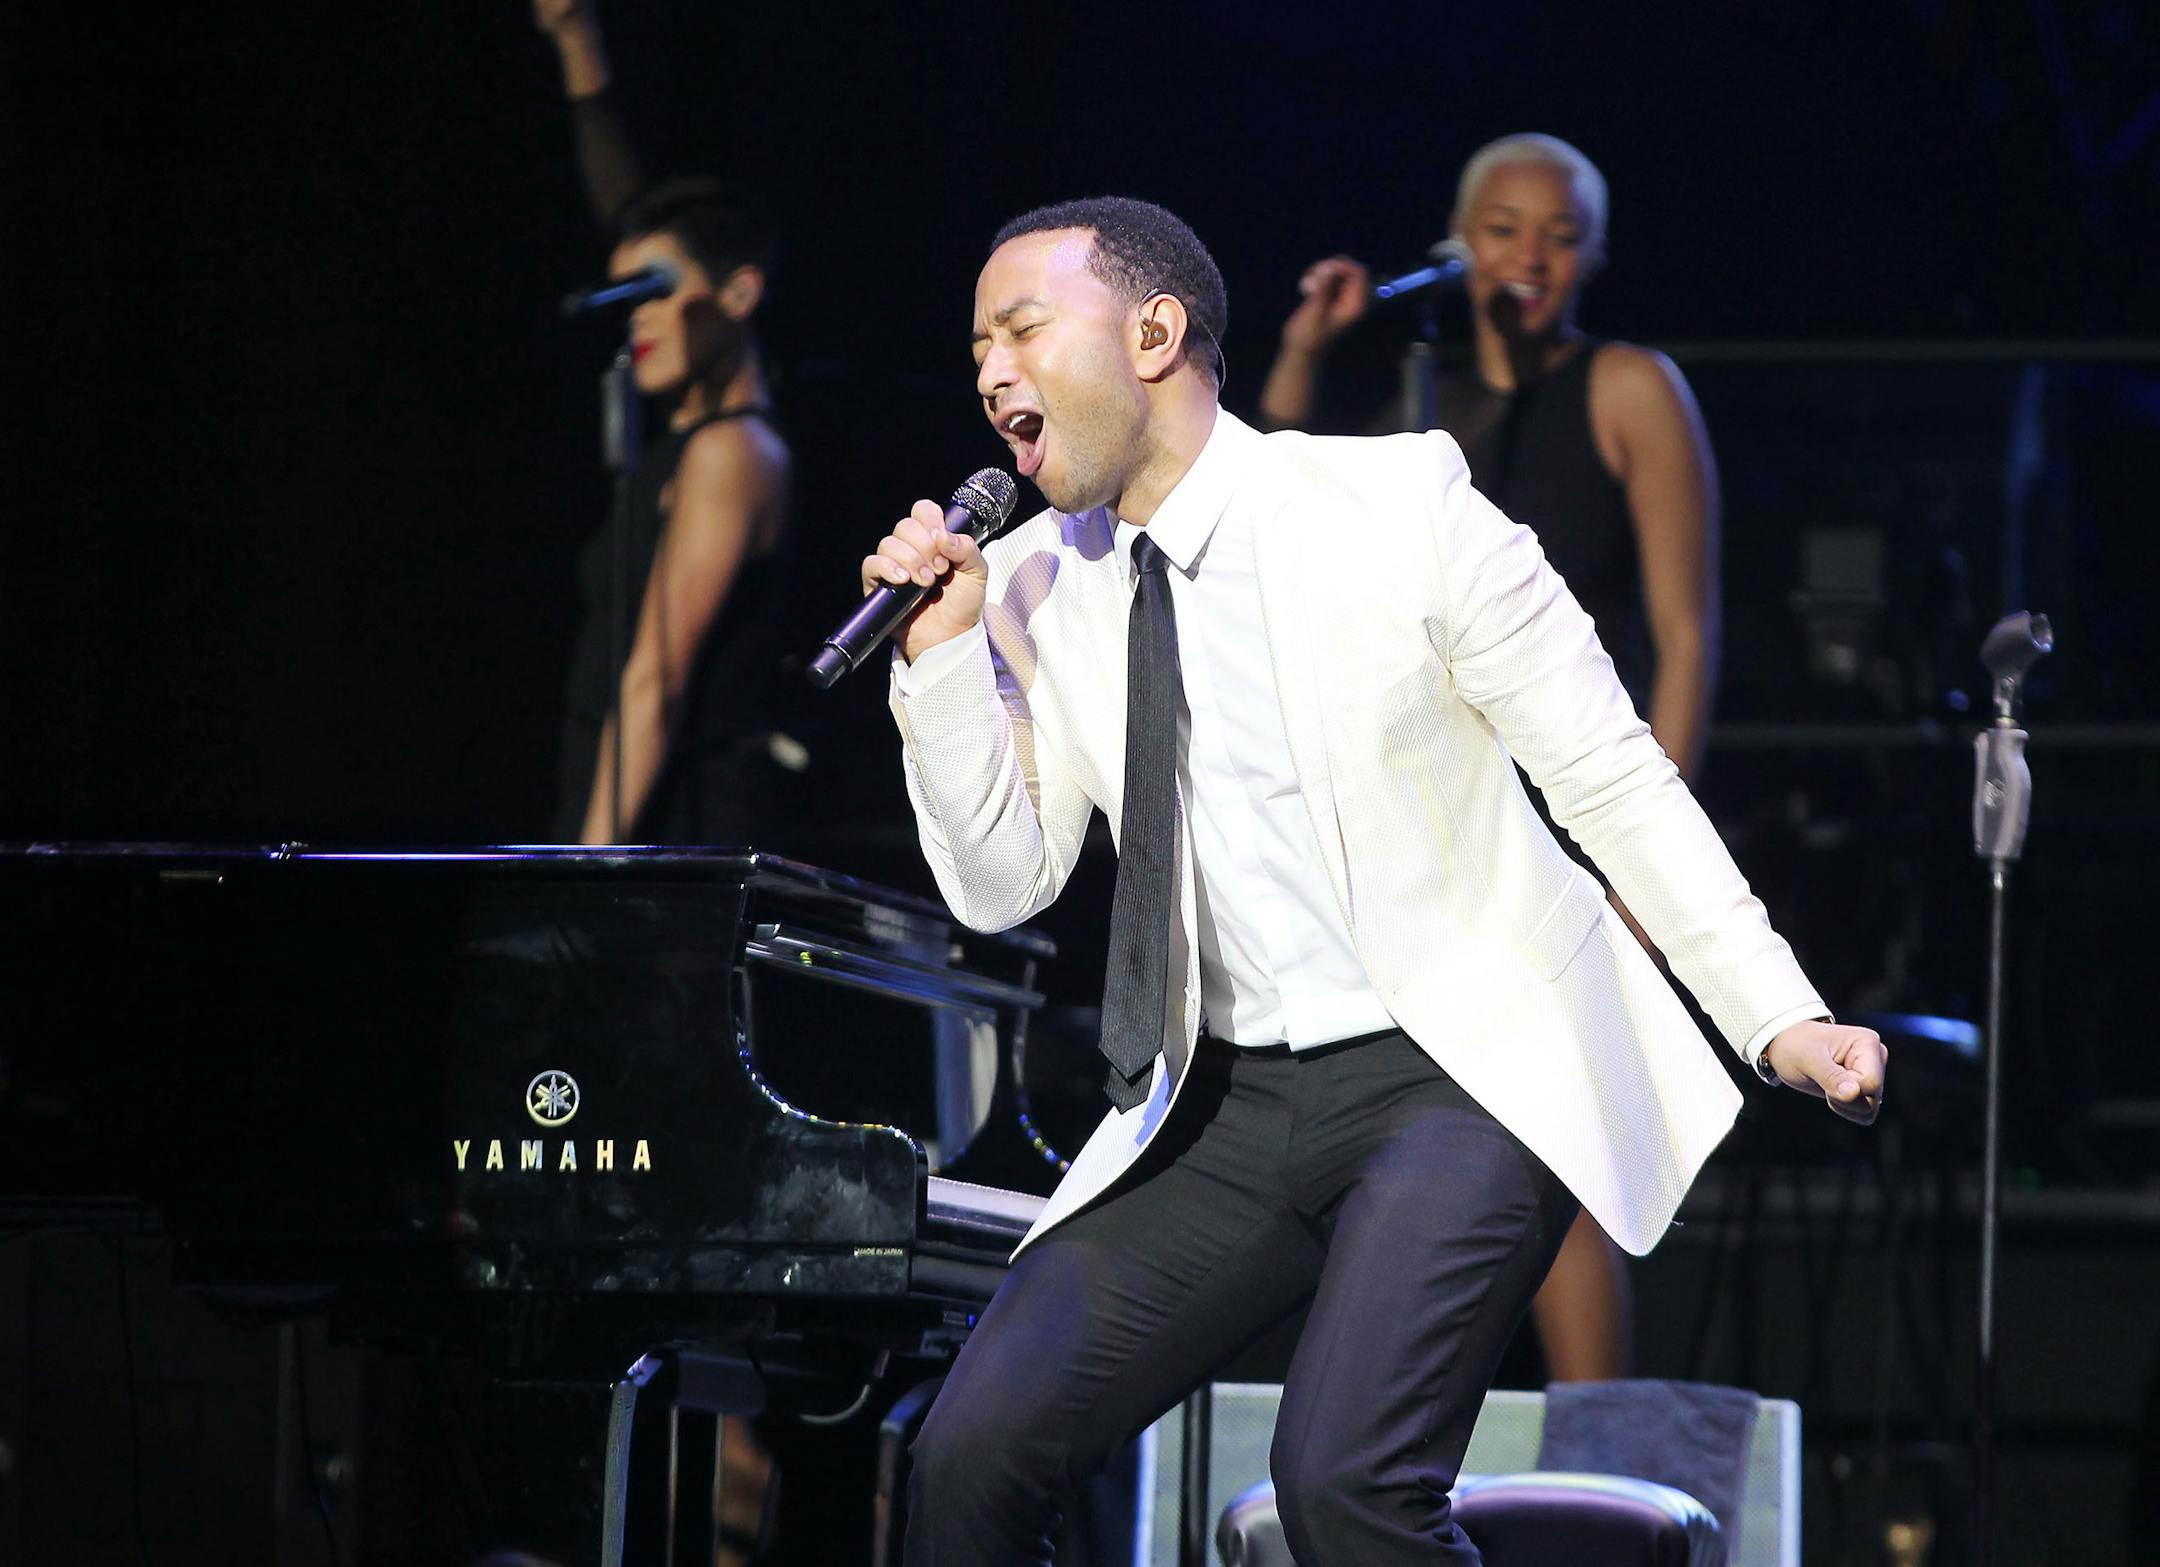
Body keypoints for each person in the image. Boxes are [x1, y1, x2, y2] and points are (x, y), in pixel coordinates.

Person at [863, 196, 1884, 1564]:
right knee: (970, 1454)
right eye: (977, 343)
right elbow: (1001, 884)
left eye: (1024, 327)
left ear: (1155, 331)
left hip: (1451, 1070)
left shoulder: (1397, 502)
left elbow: (1611, 773)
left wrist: (1777, 1014)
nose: (991, 371)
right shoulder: (1037, 581)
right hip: (1221, 1096)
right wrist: (939, 666)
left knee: (1343, 1479)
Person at [1259, 133, 1721, 1382]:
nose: (1530, 259)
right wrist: (1307, 342)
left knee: (1553, 1130)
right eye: (1506, 230)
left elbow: (1684, 635)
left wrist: (1643, 862)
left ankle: (1593, 1452)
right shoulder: (1418, 403)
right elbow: (1257, 497)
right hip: (1424, 815)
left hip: (1565, 815)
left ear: (1594, 256)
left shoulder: (1627, 387)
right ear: (1458, 244)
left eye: (1560, 235)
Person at [535, 0, 794, 847]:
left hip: (666, 842)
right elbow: (625, 214)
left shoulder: (732, 451)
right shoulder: (689, 444)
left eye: (655, 291)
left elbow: (658, 676)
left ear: (738, 293)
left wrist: (586, 870)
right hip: (623, 810)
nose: (636, 318)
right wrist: (578, 45)